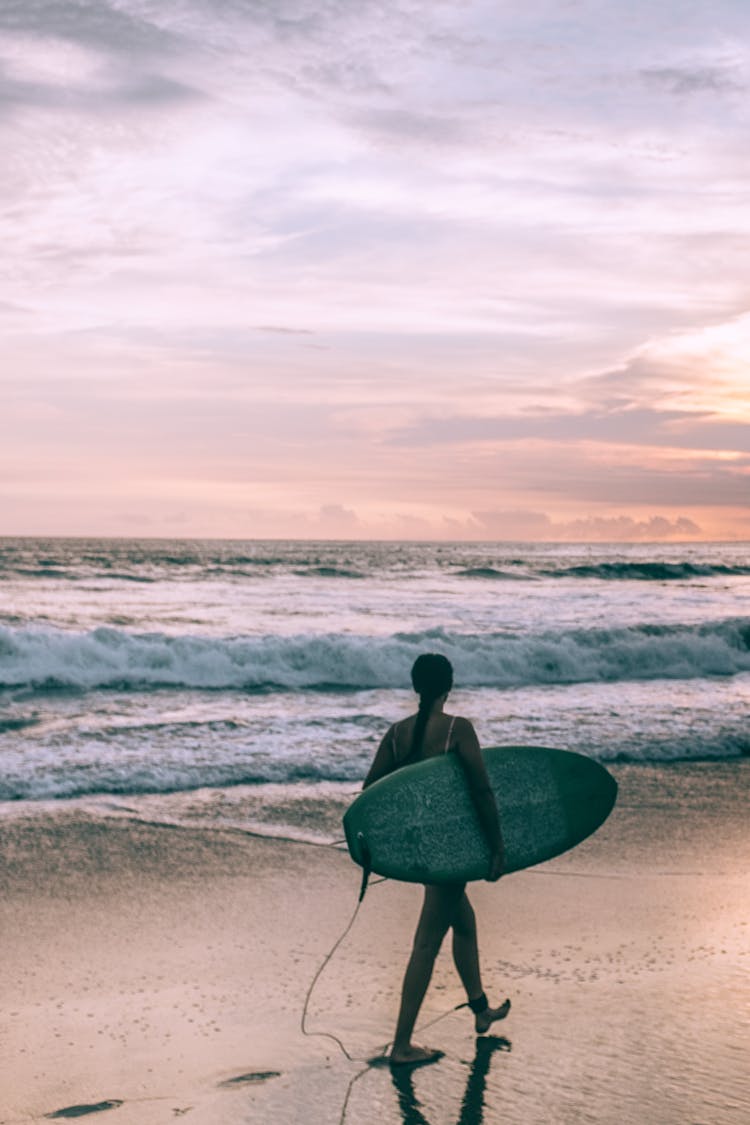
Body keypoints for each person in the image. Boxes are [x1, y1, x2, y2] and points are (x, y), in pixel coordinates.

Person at [363, 653, 510, 1067]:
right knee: (426, 943)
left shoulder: (396, 735)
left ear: (415, 686)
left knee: (463, 923)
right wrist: (496, 847)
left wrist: (393, 843)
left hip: (421, 850)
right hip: (452, 849)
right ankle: (402, 1045)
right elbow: (482, 792)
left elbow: (371, 793)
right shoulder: (456, 730)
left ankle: (480, 1010)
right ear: (449, 686)